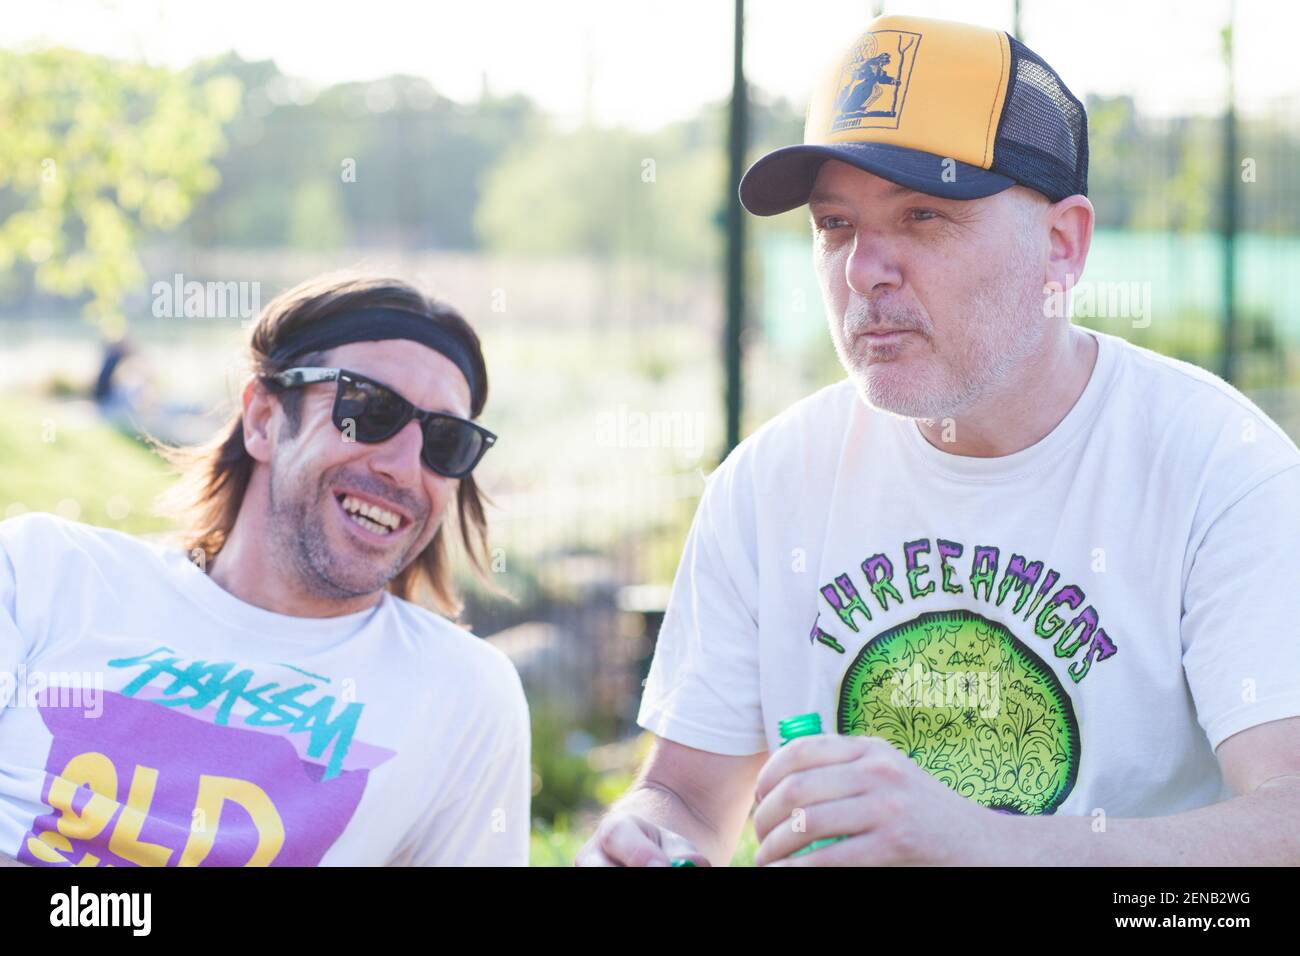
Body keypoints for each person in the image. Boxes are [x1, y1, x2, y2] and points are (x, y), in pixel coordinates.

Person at [578, 14, 1300, 867]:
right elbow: (693, 794)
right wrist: (647, 840)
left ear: (1062, 244)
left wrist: (981, 843)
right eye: (835, 225)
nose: (863, 270)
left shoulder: (1221, 469)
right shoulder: (770, 481)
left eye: (923, 215)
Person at [0, 273, 531, 866]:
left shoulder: (462, 697)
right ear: (262, 419)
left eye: (447, 440)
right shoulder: (41, 574)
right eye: (368, 409)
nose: (405, 469)